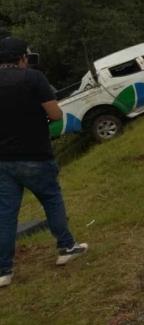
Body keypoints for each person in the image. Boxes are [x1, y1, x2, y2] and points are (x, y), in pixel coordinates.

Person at [0, 37, 88, 288]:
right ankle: (66, 248)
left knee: (5, 215)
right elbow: (55, 114)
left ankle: (3, 271)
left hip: (3, 162)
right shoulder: (33, 78)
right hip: (35, 154)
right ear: (23, 58)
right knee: (51, 200)